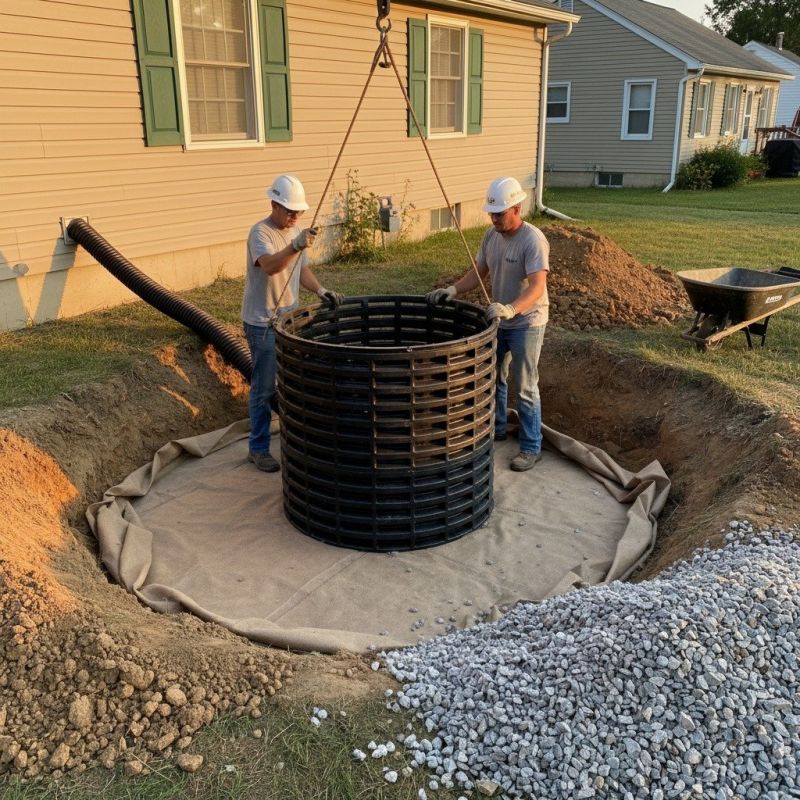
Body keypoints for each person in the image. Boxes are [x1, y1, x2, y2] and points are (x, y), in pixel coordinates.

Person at [426, 177, 549, 472]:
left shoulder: (532, 240)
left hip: (527, 322)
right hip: (499, 319)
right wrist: (453, 290)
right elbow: (479, 271)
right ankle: (497, 428)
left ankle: (531, 447)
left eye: (500, 213)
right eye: (491, 213)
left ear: (517, 209)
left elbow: (537, 287)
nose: (494, 219)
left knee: (526, 386)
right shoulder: (491, 236)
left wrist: (511, 309)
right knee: (494, 378)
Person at [242, 174, 342, 472]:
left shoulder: (296, 231)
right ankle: (258, 449)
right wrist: (295, 246)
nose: (295, 217)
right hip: (262, 322)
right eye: (290, 211)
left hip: (289, 322)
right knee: (263, 388)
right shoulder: (260, 233)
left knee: (291, 382)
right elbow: (271, 267)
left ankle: (294, 433)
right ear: (274, 204)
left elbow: (301, 270)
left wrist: (320, 290)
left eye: (298, 212)